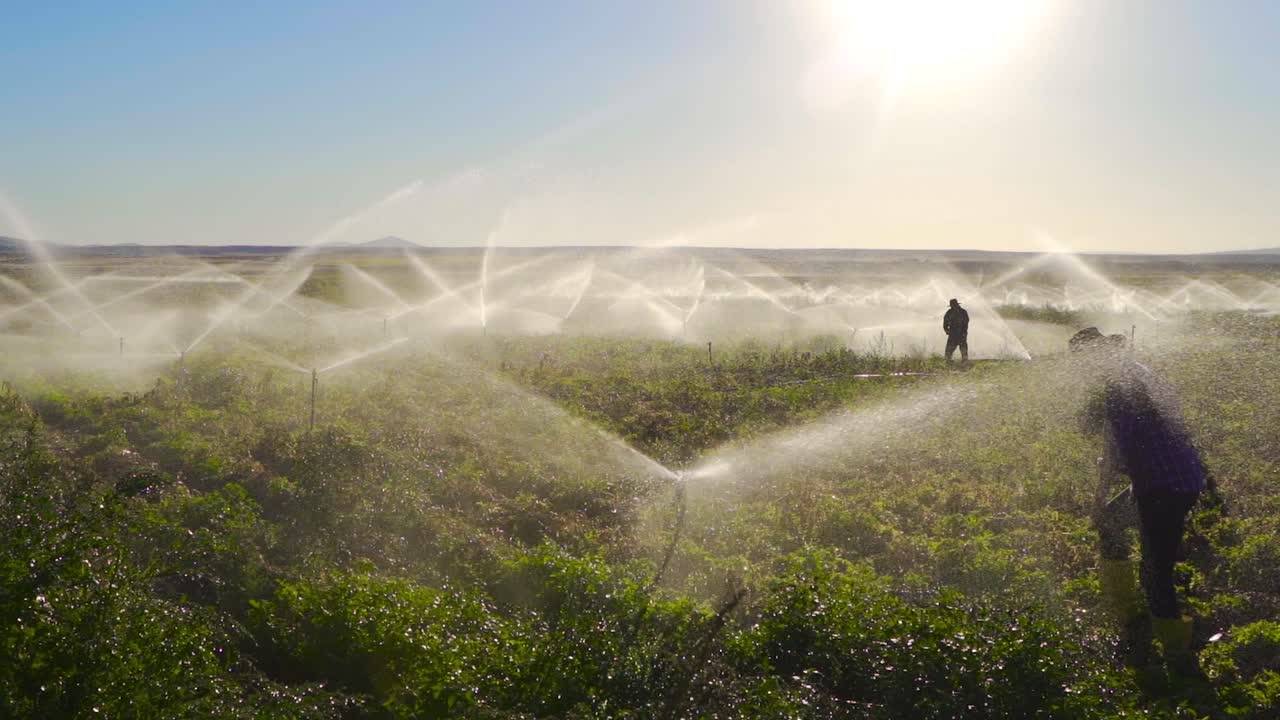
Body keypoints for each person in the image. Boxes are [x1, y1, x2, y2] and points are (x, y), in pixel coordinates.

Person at [1071, 327, 1206, 672]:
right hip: (1167, 479)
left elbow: (1115, 451)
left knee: (1154, 572)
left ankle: (1178, 660)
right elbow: (1116, 438)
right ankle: (1133, 618)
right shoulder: (1134, 372)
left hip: (1166, 486)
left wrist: (1098, 497)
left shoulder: (1122, 385)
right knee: (1112, 523)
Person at [942, 298, 969, 364]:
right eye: (952, 305)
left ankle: (964, 360)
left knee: (963, 347)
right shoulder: (949, 312)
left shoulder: (963, 312)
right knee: (949, 349)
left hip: (961, 332)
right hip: (953, 333)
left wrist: (964, 331)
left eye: (953, 305)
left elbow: (966, 322)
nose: (952, 306)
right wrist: (946, 330)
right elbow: (945, 323)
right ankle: (948, 360)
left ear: (956, 305)